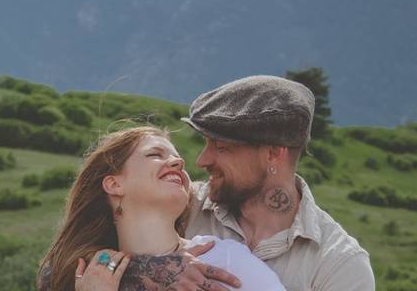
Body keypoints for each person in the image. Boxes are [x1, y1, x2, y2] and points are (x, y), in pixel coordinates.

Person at [84, 75, 375, 291]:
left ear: (274, 153)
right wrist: (152, 270)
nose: (201, 160)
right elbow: (62, 266)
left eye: (221, 147)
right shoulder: (183, 202)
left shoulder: (341, 264)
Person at [37, 125, 283, 291]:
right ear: (114, 184)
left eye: (177, 158)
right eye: (155, 154)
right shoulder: (87, 278)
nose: (179, 161)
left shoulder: (223, 260)